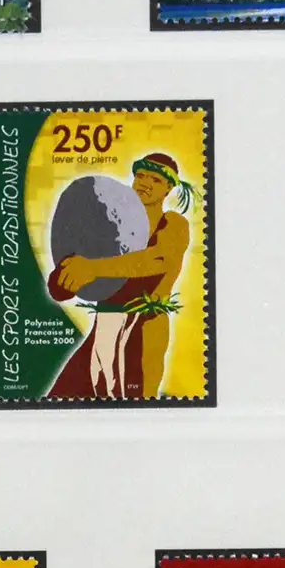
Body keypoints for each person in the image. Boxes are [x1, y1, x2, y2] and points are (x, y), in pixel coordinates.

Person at [46, 154, 195, 399]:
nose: (145, 183)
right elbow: (66, 284)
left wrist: (92, 268)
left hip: (143, 327)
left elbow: (158, 259)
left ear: (168, 188)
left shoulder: (173, 223)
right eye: (141, 176)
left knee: (137, 403)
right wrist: (66, 277)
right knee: (60, 398)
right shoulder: (111, 226)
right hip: (103, 327)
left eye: (156, 180)